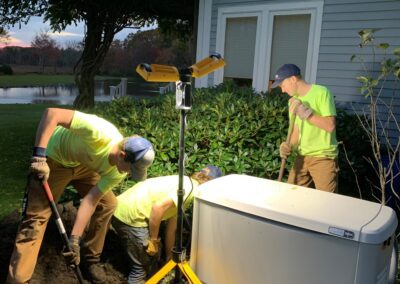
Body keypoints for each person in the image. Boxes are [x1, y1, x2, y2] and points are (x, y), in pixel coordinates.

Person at [7, 108, 155, 284]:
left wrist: (74, 240)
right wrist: (39, 158)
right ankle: (18, 279)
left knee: (108, 204)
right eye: (131, 169)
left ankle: (90, 260)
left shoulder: (118, 170)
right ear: (122, 155)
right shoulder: (98, 132)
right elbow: (51, 114)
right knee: (36, 219)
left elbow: (91, 200)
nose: (130, 174)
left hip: (83, 164)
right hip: (55, 158)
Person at [111, 165, 223, 284]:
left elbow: (171, 228)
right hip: (132, 217)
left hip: (121, 206)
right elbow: (157, 208)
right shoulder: (189, 190)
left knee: (151, 263)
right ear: (210, 184)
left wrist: (169, 257)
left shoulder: (184, 182)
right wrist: (153, 240)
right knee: (141, 268)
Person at [272, 64, 339, 192]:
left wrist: (306, 113)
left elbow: (330, 126)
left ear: (293, 79)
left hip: (323, 158)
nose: (282, 90)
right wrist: (288, 145)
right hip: (302, 157)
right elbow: (296, 130)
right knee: (291, 198)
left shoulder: (321, 92)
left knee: (327, 202)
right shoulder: (293, 101)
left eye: (283, 85)